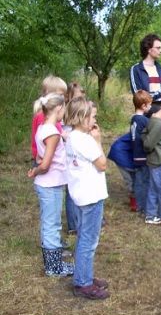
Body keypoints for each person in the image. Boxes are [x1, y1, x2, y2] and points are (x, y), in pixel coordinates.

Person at [64, 97, 110, 300]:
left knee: (84, 236)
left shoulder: (72, 137)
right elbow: (102, 164)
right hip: (91, 195)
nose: (95, 120)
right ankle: (83, 282)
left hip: (80, 194)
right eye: (92, 117)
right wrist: (98, 141)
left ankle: (85, 275)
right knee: (89, 240)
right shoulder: (85, 140)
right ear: (82, 117)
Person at [27, 93, 74, 277]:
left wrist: (38, 168)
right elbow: (45, 164)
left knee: (49, 223)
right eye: (64, 108)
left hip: (48, 183)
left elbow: (40, 156)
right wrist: (35, 171)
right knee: (52, 224)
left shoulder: (43, 128)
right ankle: (53, 267)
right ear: (58, 109)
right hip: (50, 183)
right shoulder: (53, 133)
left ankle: (54, 264)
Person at [63, 82, 86, 232]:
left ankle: (79, 220)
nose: (81, 98)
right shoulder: (66, 115)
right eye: (78, 96)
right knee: (71, 191)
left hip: (78, 158)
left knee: (78, 188)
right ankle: (73, 224)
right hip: (70, 159)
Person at [31, 75, 67, 163]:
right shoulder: (43, 116)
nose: (63, 98)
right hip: (43, 158)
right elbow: (46, 137)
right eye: (60, 95)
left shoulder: (53, 116)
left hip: (51, 156)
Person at [130, 34, 161, 110]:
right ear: (149, 49)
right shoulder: (136, 69)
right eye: (158, 48)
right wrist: (160, 95)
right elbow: (138, 96)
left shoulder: (160, 68)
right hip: (145, 114)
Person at [131, 90, 153, 214]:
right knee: (145, 182)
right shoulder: (144, 120)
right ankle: (144, 206)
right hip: (143, 156)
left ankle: (139, 205)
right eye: (149, 104)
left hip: (135, 155)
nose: (150, 107)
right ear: (144, 105)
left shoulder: (133, 119)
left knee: (139, 181)